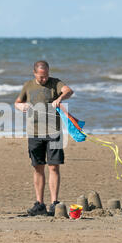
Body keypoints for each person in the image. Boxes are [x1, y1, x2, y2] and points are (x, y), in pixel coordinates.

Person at [14, 61, 74, 216]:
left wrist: (60, 98)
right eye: (41, 77)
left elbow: (69, 91)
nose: (44, 79)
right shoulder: (28, 85)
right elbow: (17, 102)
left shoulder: (55, 83)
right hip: (34, 133)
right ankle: (40, 204)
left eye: (46, 75)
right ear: (35, 73)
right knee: (38, 167)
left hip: (54, 132)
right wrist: (21, 107)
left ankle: (54, 203)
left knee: (54, 166)